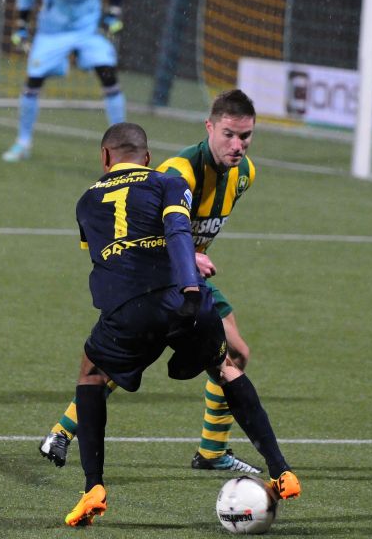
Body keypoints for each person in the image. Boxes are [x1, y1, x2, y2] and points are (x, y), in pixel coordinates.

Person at [63, 122, 300, 526]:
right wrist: (190, 288)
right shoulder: (168, 183)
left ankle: (93, 488)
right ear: (148, 158)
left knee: (91, 373)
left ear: (105, 158)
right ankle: (281, 469)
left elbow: (110, 257)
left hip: (128, 310)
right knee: (225, 367)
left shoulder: (86, 202)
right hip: (184, 297)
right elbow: (176, 230)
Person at [40, 89, 268, 474]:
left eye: (245, 136)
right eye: (228, 134)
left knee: (235, 353)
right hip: (161, 276)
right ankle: (62, 431)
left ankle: (212, 452)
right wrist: (188, 256)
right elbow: (146, 219)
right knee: (135, 355)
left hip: (188, 277)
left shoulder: (244, 175)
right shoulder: (178, 172)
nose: (237, 145)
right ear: (209, 127)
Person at [2, 0, 130, 162]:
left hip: (86, 31)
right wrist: (21, 25)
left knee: (109, 76)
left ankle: (123, 149)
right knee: (32, 83)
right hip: (51, 33)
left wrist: (114, 10)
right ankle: (23, 142)